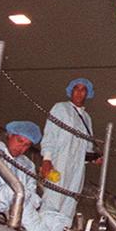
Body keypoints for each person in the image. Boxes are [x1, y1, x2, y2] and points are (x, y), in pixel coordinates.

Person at [40, 77, 97, 219]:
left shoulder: (87, 118)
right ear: (71, 91)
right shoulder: (60, 108)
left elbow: (87, 148)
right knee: (53, 198)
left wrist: (93, 158)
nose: (79, 93)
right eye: (76, 89)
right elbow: (50, 134)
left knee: (70, 201)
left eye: (83, 90)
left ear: (87, 94)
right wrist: (47, 159)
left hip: (77, 169)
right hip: (59, 162)